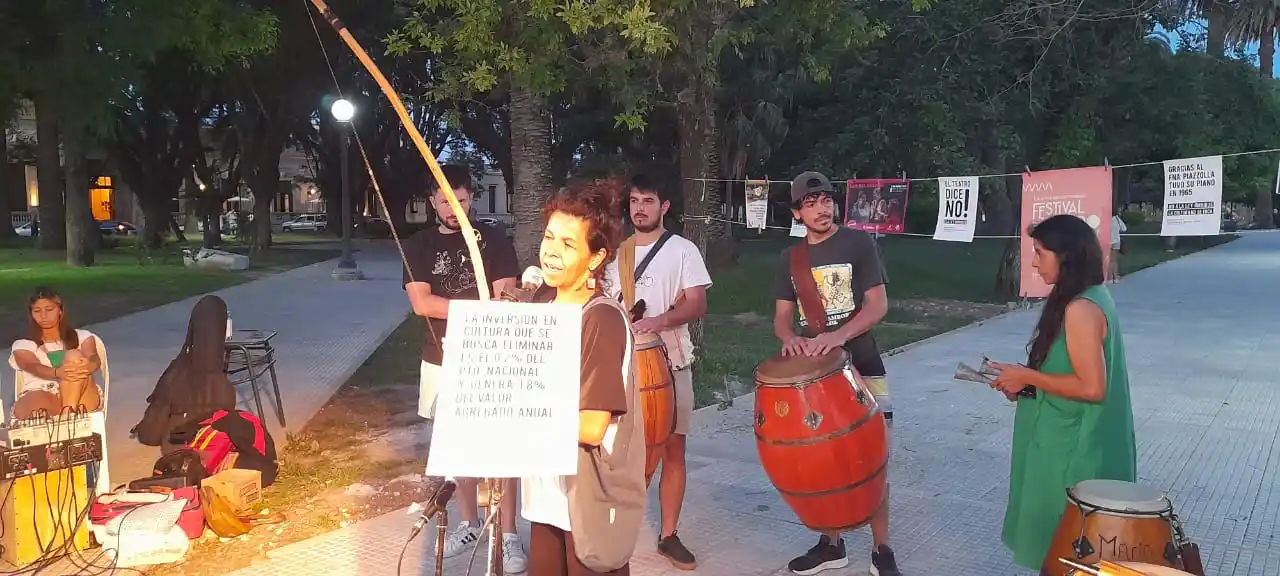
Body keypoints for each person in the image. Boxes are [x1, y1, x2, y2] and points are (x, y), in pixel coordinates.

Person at [989, 214, 1137, 572]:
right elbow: (1068, 371)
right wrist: (1026, 383)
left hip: (1073, 450)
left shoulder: (1081, 308)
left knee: (1066, 554)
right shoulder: (1087, 296)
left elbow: (1092, 387)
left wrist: (1031, 377)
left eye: (1040, 252)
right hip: (1061, 438)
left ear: (1067, 256)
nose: (1034, 261)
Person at [773, 172, 902, 576]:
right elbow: (780, 319)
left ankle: (882, 549)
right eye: (810, 203)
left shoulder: (858, 243)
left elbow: (877, 305)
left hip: (863, 363)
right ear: (797, 212)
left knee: (874, 459)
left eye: (826, 200)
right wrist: (790, 338)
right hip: (816, 376)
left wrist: (837, 336)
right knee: (821, 461)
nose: (822, 208)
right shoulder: (790, 259)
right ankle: (832, 545)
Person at [402, 164, 526, 572]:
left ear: (471, 198)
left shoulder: (491, 238)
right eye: (444, 201)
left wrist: (485, 310)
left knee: (501, 447)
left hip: (491, 359)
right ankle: (469, 522)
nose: (454, 208)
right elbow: (423, 303)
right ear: (432, 202)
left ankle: (508, 533)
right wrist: (478, 310)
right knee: (458, 449)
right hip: (441, 358)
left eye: (462, 200)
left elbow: (506, 295)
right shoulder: (419, 245)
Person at [522, 178, 646, 575]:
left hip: (588, 501)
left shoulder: (601, 319)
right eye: (549, 238)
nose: (551, 252)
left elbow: (592, 426)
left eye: (568, 244)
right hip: (545, 499)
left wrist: (514, 415)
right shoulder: (541, 303)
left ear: (596, 258)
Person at [601, 174, 711, 570]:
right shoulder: (617, 253)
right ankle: (614, 530)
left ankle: (668, 534)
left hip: (671, 360)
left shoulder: (682, 250)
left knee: (672, 448)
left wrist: (661, 320)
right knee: (616, 450)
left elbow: (697, 302)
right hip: (622, 364)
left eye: (648, 200)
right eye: (634, 201)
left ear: (664, 206)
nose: (640, 208)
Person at [9, 286, 103, 419]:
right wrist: (57, 373)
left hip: (82, 394)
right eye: (37, 311)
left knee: (74, 355)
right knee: (39, 409)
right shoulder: (23, 344)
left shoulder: (82, 337)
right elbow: (33, 366)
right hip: (42, 392)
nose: (43, 316)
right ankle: (66, 420)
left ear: (60, 310)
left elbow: (94, 358)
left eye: (49, 309)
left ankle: (66, 416)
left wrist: (88, 365)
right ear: (31, 314)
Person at [1108, 208, 1127, 283]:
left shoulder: (1105, 218)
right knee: (1114, 261)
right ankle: (1115, 277)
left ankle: (1109, 278)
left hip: (1107, 241)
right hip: (1116, 241)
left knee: (1109, 261)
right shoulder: (1117, 219)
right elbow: (1124, 228)